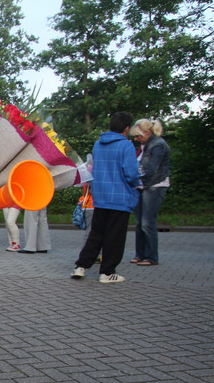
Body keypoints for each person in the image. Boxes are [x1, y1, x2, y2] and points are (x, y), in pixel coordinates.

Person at [71, 112, 140, 283]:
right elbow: (131, 174)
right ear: (127, 128)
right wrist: (137, 183)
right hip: (120, 198)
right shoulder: (127, 146)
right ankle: (107, 272)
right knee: (115, 237)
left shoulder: (98, 144)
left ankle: (81, 266)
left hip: (100, 196)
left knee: (96, 234)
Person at [129, 118, 170, 266]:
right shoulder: (145, 146)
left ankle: (151, 256)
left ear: (147, 132)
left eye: (138, 135)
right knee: (139, 222)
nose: (136, 139)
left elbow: (152, 169)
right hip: (143, 186)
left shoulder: (158, 145)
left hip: (154, 186)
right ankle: (140, 254)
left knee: (147, 222)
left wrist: (135, 177)